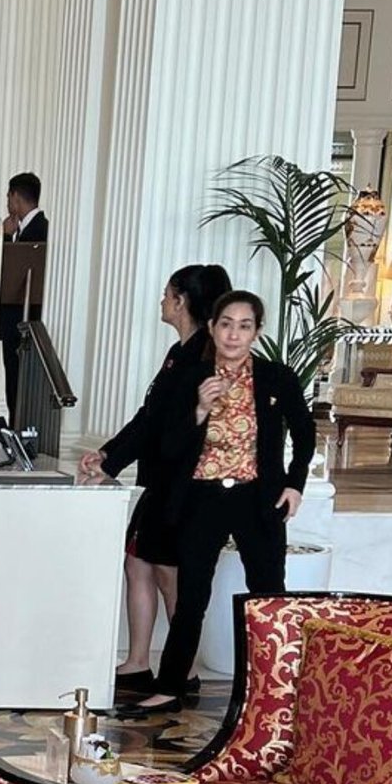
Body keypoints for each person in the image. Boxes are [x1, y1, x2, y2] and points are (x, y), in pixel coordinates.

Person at [117, 291, 315, 717]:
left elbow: (305, 433)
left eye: (245, 326)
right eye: (226, 324)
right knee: (191, 597)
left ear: (257, 332)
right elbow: (167, 446)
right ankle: (169, 687)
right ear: (212, 327)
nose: (233, 334)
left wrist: (294, 485)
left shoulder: (276, 377)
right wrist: (200, 409)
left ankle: (274, 689)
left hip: (257, 497)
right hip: (202, 497)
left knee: (268, 594)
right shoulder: (190, 377)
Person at [79, 263, 231, 696]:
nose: (162, 301)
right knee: (138, 563)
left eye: (167, 294)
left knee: (168, 573)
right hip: (161, 481)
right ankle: (138, 662)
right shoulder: (179, 353)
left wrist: (111, 462)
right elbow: (148, 417)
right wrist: (108, 456)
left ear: (181, 302)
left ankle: (183, 670)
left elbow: (169, 428)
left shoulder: (203, 358)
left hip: (182, 486)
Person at [0, 172, 47, 416]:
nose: (8, 202)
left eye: (9, 197)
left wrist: (5, 237)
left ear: (15, 197)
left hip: (22, 320)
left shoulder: (40, 229)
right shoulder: (27, 229)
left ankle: (18, 427)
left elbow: (8, 269)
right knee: (13, 384)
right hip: (16, 320)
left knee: (19, 384)